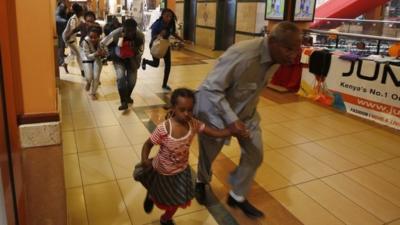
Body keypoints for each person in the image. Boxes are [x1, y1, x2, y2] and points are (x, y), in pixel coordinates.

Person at [193, 21, 302, 218]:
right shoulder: (243, 54)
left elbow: (252, 88)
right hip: (215, 110)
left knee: (255, 153)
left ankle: (237, 195)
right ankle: (201, 181)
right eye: (288, 49)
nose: (293, 55)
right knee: (208, 153)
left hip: (246, 113)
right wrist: (231, 119)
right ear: (273, 42)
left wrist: (242, 116)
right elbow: (211, 88)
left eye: (296, 50)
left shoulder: (278, 58)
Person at [134, 88, 245, 225]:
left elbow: (213, 132)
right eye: (182, 110)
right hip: (161, 172)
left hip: (180, 173)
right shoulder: (164, 128)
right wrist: (145, 160)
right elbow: (148, 144)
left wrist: (229, 131)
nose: (187, 114)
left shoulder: (194, 124)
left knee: (175, 202)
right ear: (173, 108)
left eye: (190, 110)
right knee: (158, 193)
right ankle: (151, 195)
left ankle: (166, 219)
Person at [100, 18, 145, 110]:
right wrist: (108, 54)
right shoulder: (116, 34)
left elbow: (141, 51)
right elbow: (103, 43)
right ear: (123, 28)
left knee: (132, 81)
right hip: (118, 59)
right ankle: (123, 101)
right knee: (121, 78)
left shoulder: (140, 36)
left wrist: (134, 50)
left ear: (135, 29)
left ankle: (127, 96)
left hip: (132, 59)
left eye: (132, 31)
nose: (129, 33)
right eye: (127, 30)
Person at [141, 8, 184, 91]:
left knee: (168, 65)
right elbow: (153, 37)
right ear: (162, 15)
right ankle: (145, 61)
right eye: (167, 16)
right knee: (156, 64)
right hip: (155, 45)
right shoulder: (157, 24)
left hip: (165, 45)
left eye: (170, 16)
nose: (169, 18)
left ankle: (164, 84)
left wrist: (181, 39)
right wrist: (160, 34)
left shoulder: (171, 23)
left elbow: (173, 32)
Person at [81, 26, 106, 100]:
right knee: (89, 77)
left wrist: (104, 53)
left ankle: (93, 93)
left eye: (95, 37)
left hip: (97, 58)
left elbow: (106, 52)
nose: (93, 39)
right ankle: (88, 82)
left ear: (99, 36)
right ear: (88, 35)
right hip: (87, 57)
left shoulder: (102, 40)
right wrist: (96, 54)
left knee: (96, 77)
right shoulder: (85, 41)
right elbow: (88, 56)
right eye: (91, 37)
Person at [62, 3, 84, 77]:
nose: (83, 12)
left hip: (72, 37)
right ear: (78, 11)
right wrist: (80, 27)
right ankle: (82, 71)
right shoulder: (73, 19)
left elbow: (84, 23)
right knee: (78, 53)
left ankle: (65, 64)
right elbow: (72, 30)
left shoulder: (79, 17)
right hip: (68, 37)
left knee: (73, 53)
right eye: (82, 11)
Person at [55, 1, 68, 73]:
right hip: (61, 35)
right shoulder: (63, 20)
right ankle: (61, 62)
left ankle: (60, 61)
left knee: (60, 49)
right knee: (60, 48)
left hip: (59, 34)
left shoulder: (55, 15)